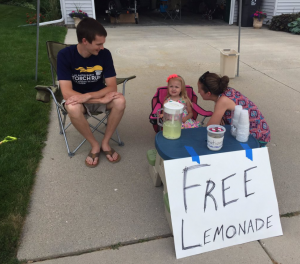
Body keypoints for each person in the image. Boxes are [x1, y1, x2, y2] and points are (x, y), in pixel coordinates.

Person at [57, 17, 125, 168]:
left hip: (97, 96)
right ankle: (94, 145)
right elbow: (67, 93)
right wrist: (98, 100)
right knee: (72, 107)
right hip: (80, 102)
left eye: (103, 43)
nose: (102, 47)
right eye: (98, 44)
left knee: (120, 100)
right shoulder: (65, 56)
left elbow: (112, 87)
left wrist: (89, 96)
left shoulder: (104, 54)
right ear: (85, 41)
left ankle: (105, 143)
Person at [197, 71, 270, 146]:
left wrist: (217, 117)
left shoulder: (222, 101)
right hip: (261, 130)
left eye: (199, 89)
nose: (198, 91)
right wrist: (219, 116)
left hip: (258, 137)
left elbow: (210, 127)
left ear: (208, 93)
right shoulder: (226, 90)